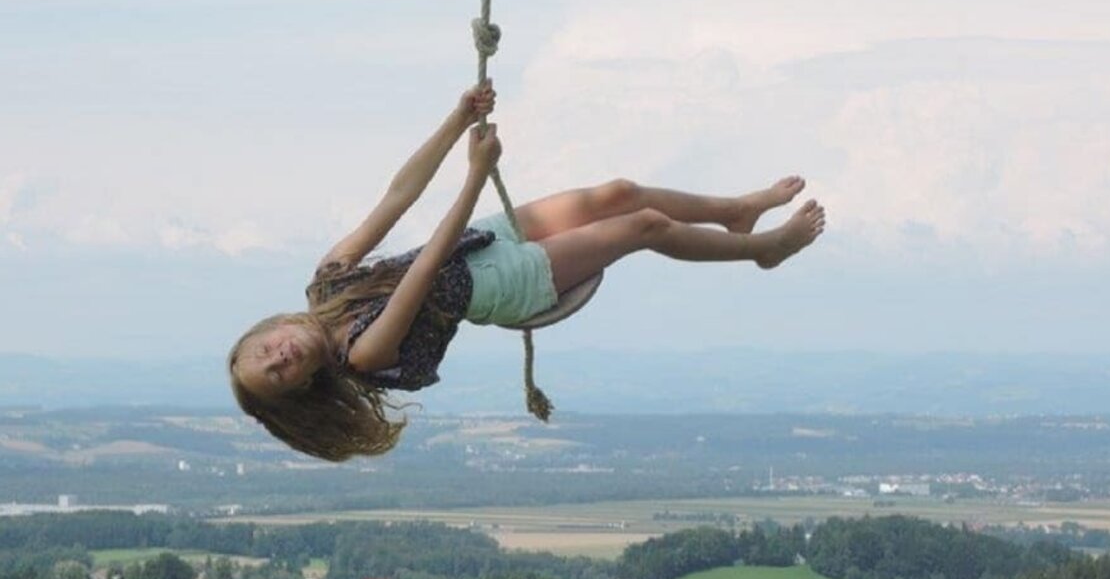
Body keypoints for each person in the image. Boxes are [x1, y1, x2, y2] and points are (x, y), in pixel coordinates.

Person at [229, 83, 826, 460]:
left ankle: (737, 211)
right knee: (644, 226)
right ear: (304, 387)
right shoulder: (362, 355)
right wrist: (474, 174)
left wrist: (457, 119)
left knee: (617, 191)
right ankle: (764, 250)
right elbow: (426, 267)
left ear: (262, 333)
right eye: (279, 375)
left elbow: (396, 198)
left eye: (265, 354)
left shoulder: (326, 283)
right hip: (500, 284)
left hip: (479, 239)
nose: (281, 357)